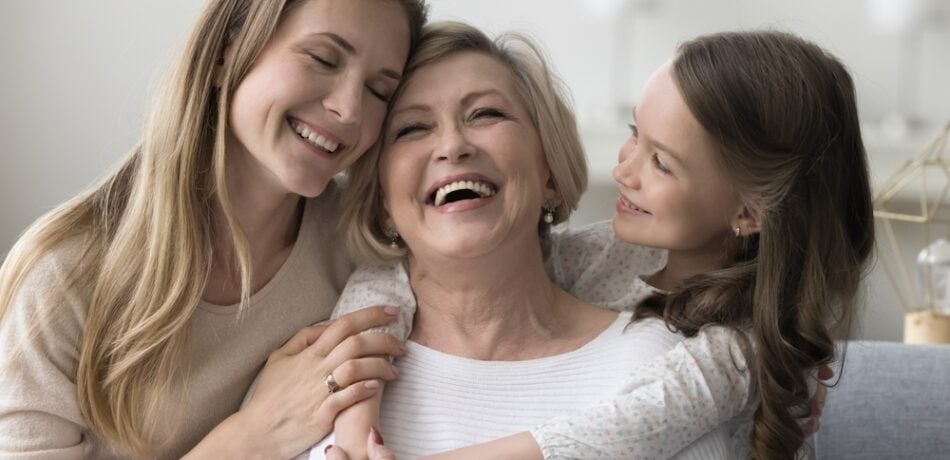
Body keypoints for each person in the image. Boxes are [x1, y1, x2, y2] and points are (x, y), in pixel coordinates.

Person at [322, 23, 873, 459]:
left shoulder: (731, 353)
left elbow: (600, 437)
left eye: (662, 162)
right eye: (635, 134)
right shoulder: (599, 257)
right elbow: (385, 281)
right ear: (380, 201)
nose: (625, 170)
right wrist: (352, 417)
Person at [0, 0, 428, 458]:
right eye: (323, 58)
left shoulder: (363, 253)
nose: (349, 109)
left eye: (380, 91)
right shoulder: (64, 275)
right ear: (227, 50)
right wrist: (254, 435)